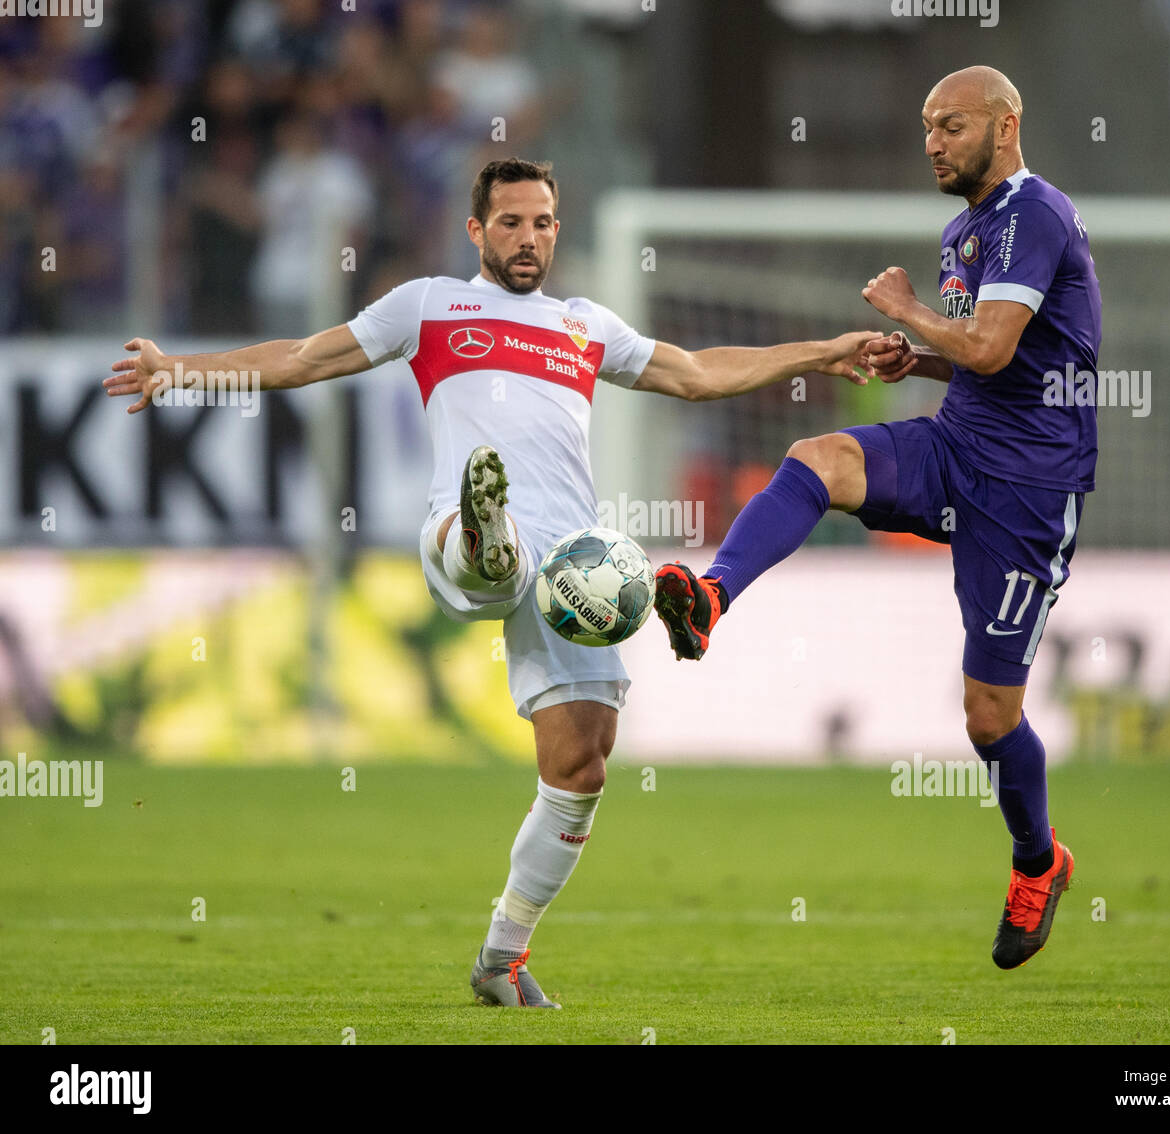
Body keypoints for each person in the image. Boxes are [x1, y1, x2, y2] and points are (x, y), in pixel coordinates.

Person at [103, 157, 883, 1007]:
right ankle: (485, 527)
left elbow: (696, 373)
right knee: (487, 547)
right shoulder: (430, 304)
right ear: (476, 230)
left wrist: (825, 350)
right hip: (457, 548)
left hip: (571, 573)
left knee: (582, 768)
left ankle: (499, 958)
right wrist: (179, 368)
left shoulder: (583, 324)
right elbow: (301, 357)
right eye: (509, 222)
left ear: (556, 227)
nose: (527, 237)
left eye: (542, 222)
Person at [654, 67, 1102, 971]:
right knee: (820, 457)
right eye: (927, 128)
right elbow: (980, 363)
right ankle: (708, 595)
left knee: (986, 717)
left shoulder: (1037, 214)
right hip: (957, 445)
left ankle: (1036, 860)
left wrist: (910, 312)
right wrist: (915, 359)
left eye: (951, 126)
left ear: (1006, 126)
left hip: (1028, 491)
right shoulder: (965, 229)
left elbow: (989, 343)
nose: (932, 143)